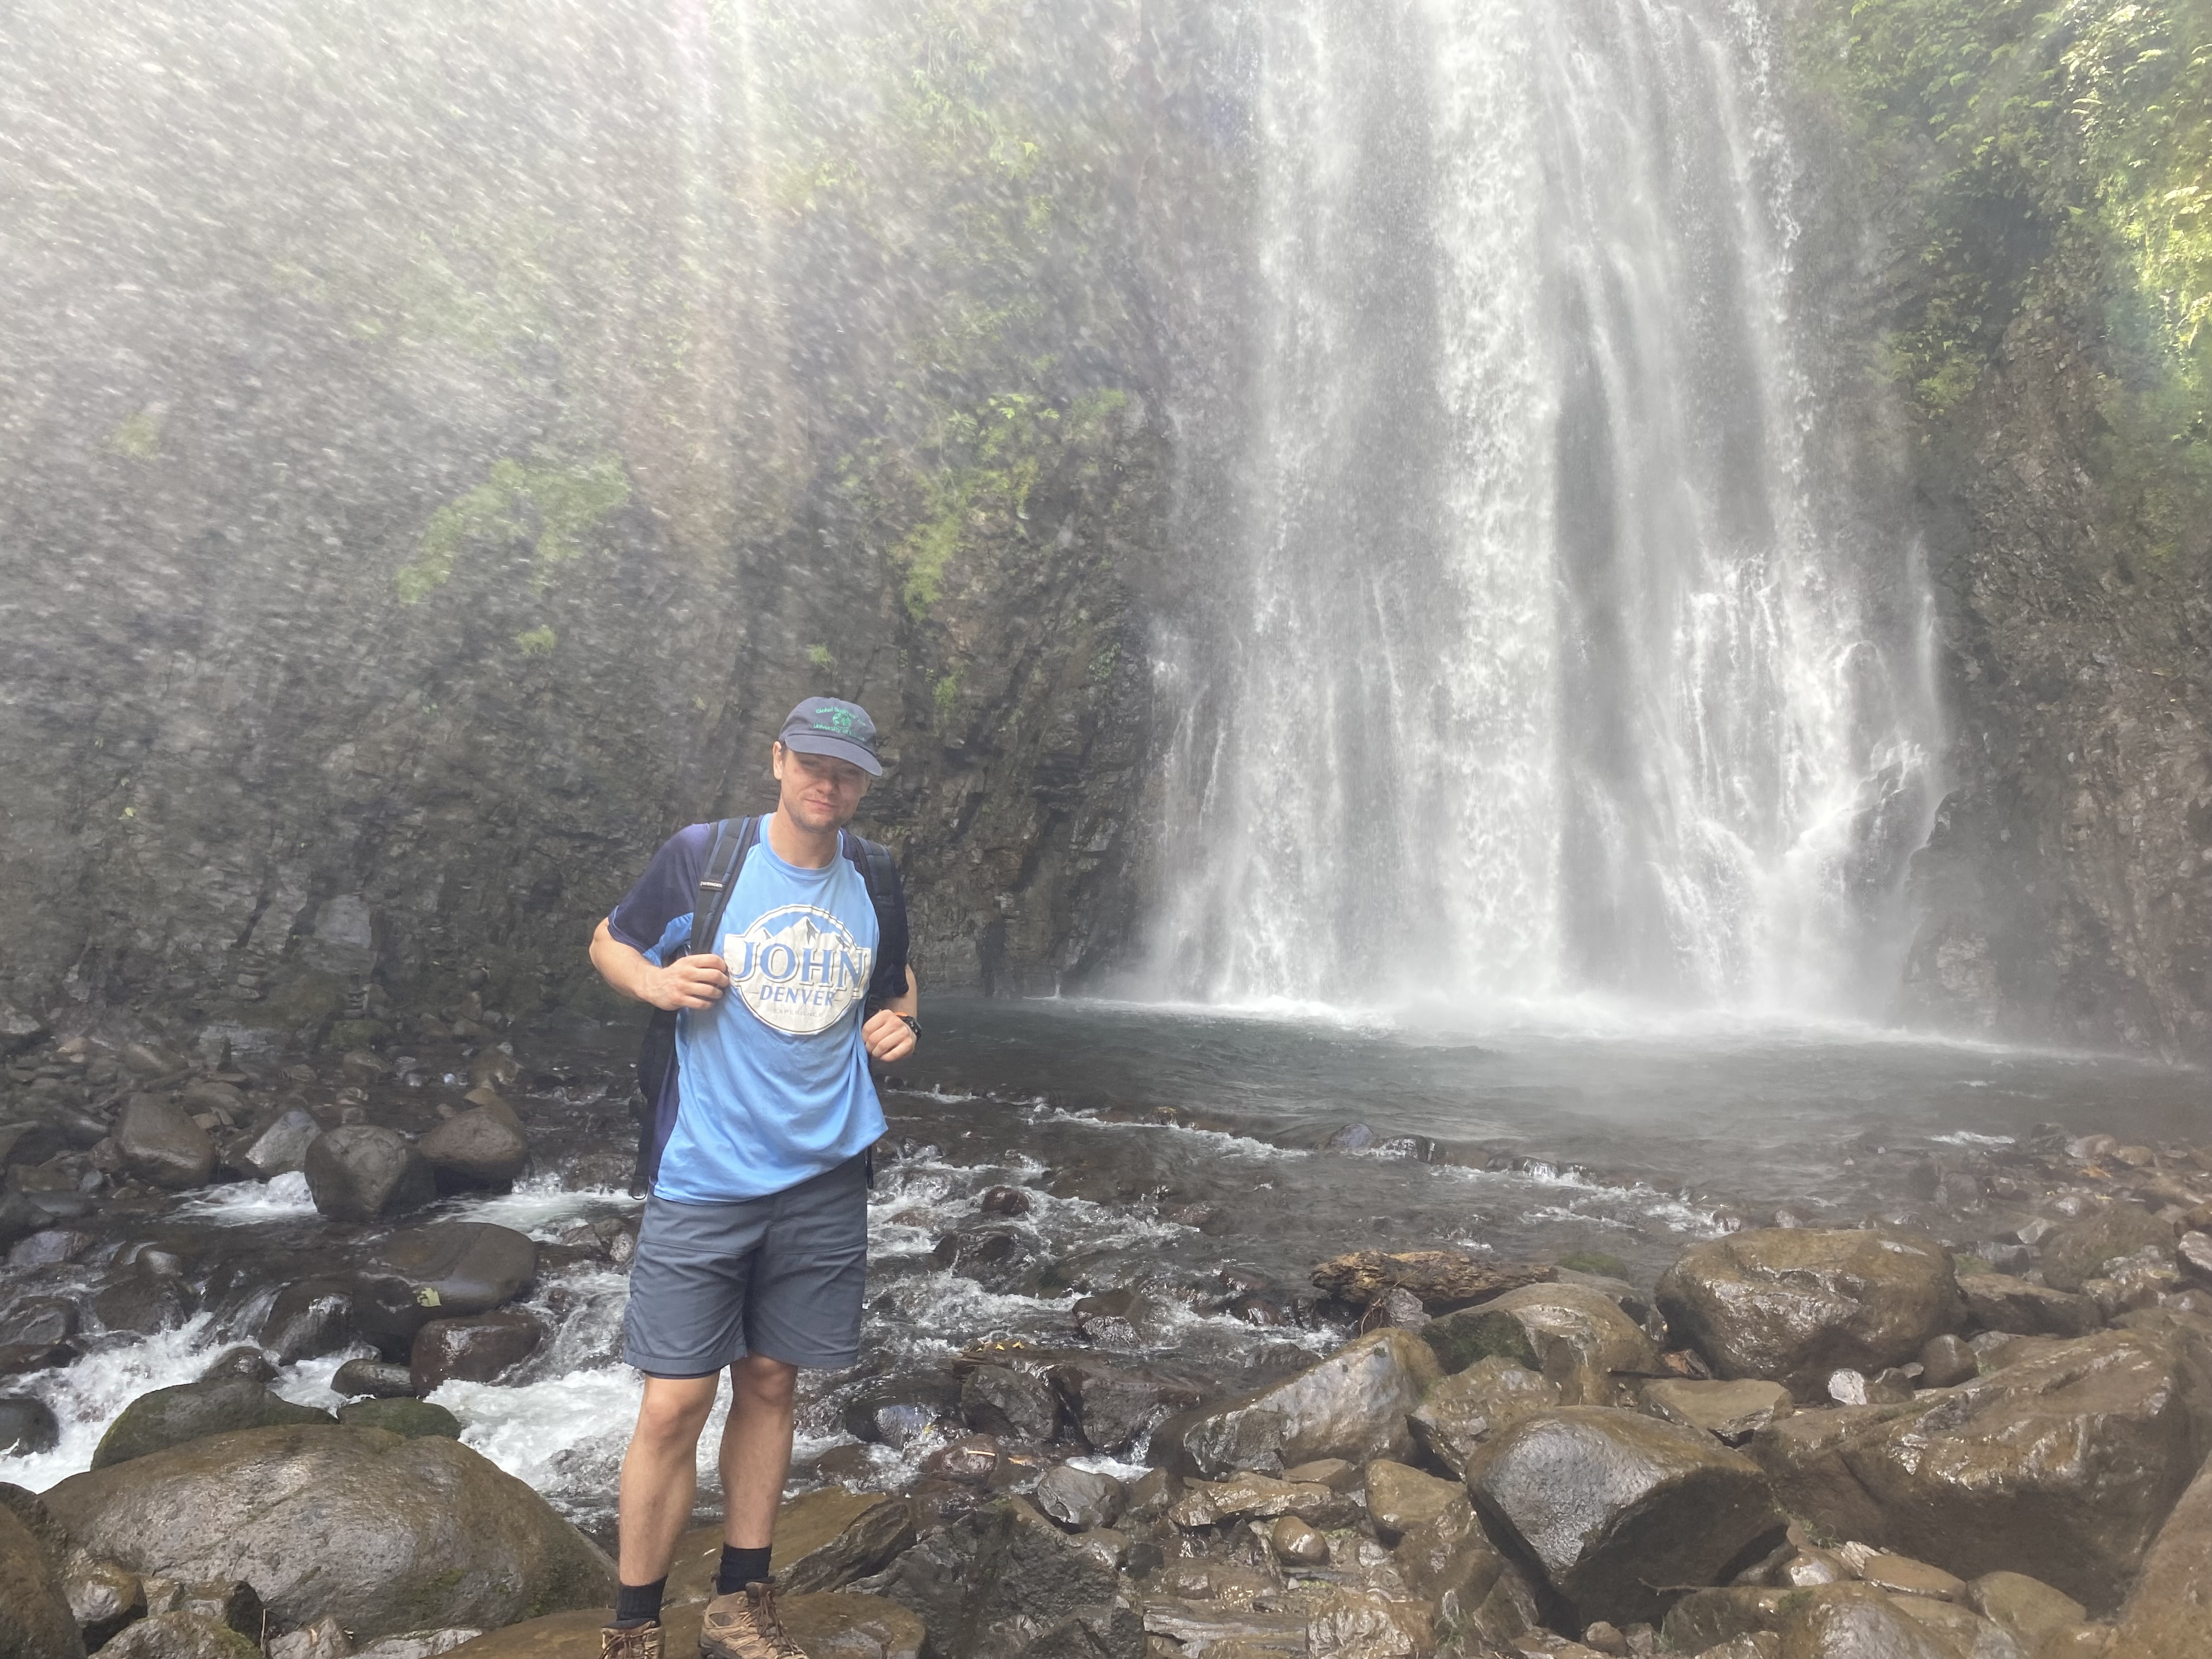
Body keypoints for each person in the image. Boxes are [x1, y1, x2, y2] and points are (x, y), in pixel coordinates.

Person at [588, 696, 918, 1659]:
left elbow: (896, 979)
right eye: (813, 763)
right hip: (706, 1169)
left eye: (848, 771)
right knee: (674, 1400)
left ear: (863, 783)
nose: (829, 784)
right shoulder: (706, 857)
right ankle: (633, 1626)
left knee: (772, 1380)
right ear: (778, 760)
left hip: (825, 1175)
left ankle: (741, 1599)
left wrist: (907, 1023)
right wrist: (652, 981)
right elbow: (608, 939)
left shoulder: (877, 876)